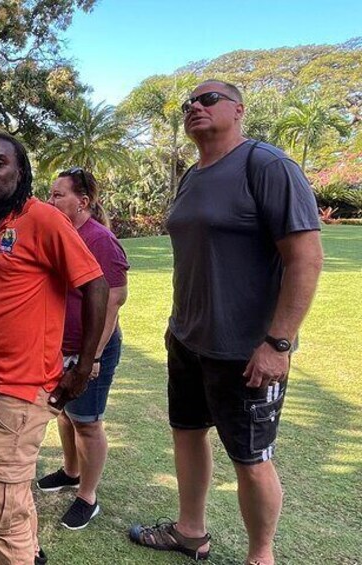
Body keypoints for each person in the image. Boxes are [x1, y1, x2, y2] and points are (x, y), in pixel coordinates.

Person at [128, 80, 323, 565]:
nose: (194, 105)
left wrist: (278, 343)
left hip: (246, 350)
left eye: (207, 98)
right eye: (188, 103)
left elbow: (306, 260)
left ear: (238, 110)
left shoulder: (267, 166)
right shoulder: (192, 176)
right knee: (187, 433)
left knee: (252, 461)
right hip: (189, 340)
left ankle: (261, 556)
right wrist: (178, 326)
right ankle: (190, 532)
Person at [0, 133, 109, 564]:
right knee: (10, 492)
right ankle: (31, 554)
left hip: (21, 390)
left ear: (20, 171)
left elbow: (96, 284)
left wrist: (84, 366)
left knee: (0, 514)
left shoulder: (42, 219)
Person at [36, 168, 129, 530]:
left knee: (88, 424)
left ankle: (87, 497)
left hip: (91, 351)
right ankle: (71, 471)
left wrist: (93, 358)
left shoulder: (99, 239)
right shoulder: (59, 234)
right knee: (64, 414)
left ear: (83, 202)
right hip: (61, 347)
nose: (51, 201)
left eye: (58, 195)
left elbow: (115, 299)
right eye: (51, 193)